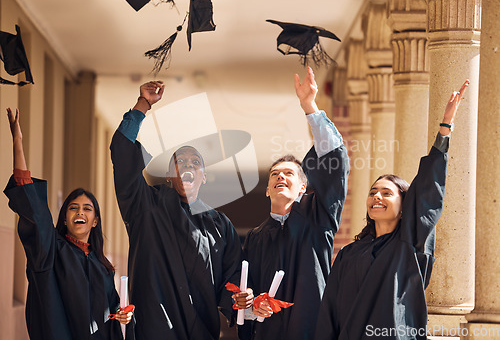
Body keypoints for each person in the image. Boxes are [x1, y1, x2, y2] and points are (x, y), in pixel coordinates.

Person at [314, 80, 469, 340]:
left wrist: (445, 128)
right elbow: (329, 311)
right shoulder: (348, 255)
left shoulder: (409, 244)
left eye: (387, 193)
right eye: (373, 192)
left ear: (403, 206)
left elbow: (428, 191)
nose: (377, 196)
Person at [109, 81, 250, 340]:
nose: (188, 165)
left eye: (195, 162)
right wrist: (143, 106)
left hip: (201, 330)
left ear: (204, 176)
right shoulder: (146, 206)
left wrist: (238, 299)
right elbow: (122, 154)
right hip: (153, 328)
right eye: (180, 161)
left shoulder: (220, 225)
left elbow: (231, 278)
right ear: (168, 175)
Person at [234, 67, 350, 340]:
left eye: (289, 174)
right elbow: (245, 299)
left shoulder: (318, 218)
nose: (280, 177)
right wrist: (250, 306)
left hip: (313, 330)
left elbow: (336, 164)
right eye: (274, 174)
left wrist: (309, 107)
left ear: (303, 188)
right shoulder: (256, 238)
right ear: (266, 190)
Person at [3, 108, 133, 340]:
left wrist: (121, 315)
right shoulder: (51, 251)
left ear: (95, 222)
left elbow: (110, 309)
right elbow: (34, 210)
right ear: (64, 218)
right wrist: (17, 142)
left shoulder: (101, 265)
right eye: (73, 208)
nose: (80, 212)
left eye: (87, 208)